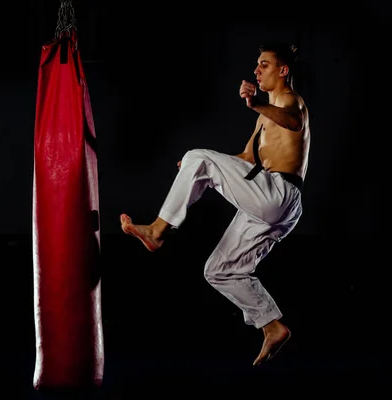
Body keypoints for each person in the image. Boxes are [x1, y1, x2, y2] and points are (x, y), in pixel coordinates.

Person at [120, 41, 310, 366]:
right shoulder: (264, 117)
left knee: (198, 157)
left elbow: (294, 122)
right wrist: (199, 170)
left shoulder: (291, 101)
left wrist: (251, 109)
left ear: (283, 70)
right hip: (271, 205)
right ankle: (272, 326)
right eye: (256, 64)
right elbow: (246, 159)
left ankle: (157, 230)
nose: (256, 70)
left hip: (279, 192)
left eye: (263, 64)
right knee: (220, 270)